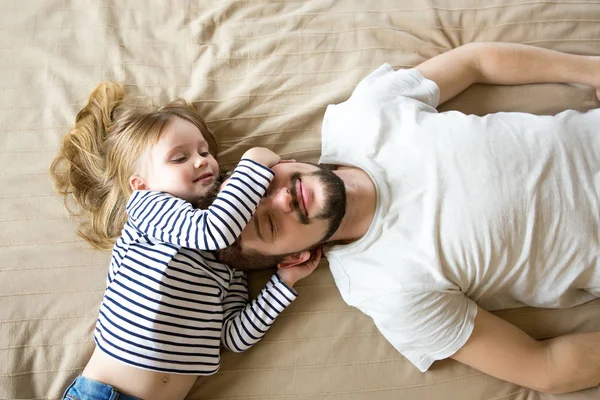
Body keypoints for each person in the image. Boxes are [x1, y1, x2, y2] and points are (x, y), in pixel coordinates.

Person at [217, 42, 600, 394]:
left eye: (262, 186)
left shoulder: (362, 116)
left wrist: (591, 69)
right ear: (295, 259)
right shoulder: (387, 293)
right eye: (269, 225)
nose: (281, 199)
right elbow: (543, 368)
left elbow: (475, 62)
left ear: (276, 162)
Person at [49, 82, 321, 400]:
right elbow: (211, 229)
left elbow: (234, 337)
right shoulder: (147, 209)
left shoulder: (225, 261)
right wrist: (254, 162)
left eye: (205, 152)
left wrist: (283, 282)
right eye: (179, 158)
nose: (201, 161)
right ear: (142, 184)